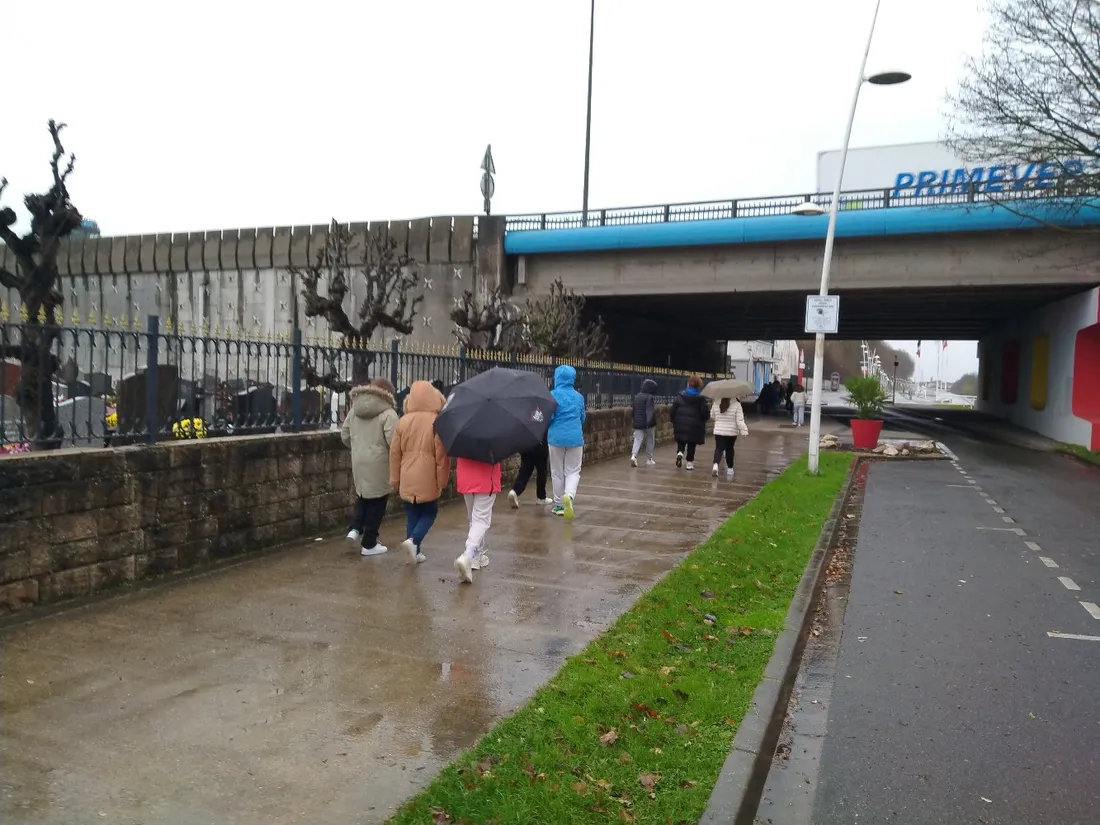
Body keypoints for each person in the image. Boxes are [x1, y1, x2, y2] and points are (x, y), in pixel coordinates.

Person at [389, 380, 450, 565]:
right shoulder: (436, 422)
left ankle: (415, 550)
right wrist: (442, 481)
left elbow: (394, 453)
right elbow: (441, 455)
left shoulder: (402, 421)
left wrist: (395, 478)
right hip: (427, 474)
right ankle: (414, 541)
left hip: (407, 473)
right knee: (430, 512)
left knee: (412, 514)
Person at [341, 377, 399, 556]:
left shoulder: (354, 410)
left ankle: (355, 528)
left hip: (358, 460)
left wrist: (359, 448)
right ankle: (369, 543)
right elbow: (393, 442)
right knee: (378, 501)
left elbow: (344, 435)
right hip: (380, 463)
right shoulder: (388, 413)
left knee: (363, 495)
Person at [454, 457, 502, 583]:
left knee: (473, 520)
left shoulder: (463, 438)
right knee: (481, 521)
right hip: (487, 478)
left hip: (466, 477)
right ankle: (468, 555)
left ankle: (476, 556)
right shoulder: (494, 436)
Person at [547, 364, 586, 519]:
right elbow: (582, 418)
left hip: (555, 437)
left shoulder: (552, 395)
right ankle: (569, 496)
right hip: (575, 438)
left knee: (557, 472)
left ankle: (558, 505)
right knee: (573, 471)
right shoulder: (579, 397)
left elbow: (549, 418)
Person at [671, 374, 710, 470]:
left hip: (680, 423)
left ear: (688, 384)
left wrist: (674, 421)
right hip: (694, 425)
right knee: (691, 444)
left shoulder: (680, 396)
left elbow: (673, 410)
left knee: (681, 440)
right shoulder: (701, 399)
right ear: (698, 385)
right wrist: (704, 419)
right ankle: (689, 462)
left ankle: (680, 452)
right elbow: (705, 413)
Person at [711, 396, 749, 480]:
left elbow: (712, 416)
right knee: (729, 449)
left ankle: (715, 465)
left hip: (719, 431)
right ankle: (730, 469)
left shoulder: (716, 402)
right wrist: (744, 431)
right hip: (731, 432)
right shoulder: (737, 404)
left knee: (718, 448)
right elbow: (739, 420)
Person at [509, 432, 550, 507]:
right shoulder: (542, 420)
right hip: (540, 444)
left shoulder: (525, 420)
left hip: (526, 445)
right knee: (542, 471)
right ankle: (541, 498)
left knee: (525, 472)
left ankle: (515, 491)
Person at [630, 378, 658, 468]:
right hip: (648, 423)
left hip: (638, 422)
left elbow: (633, 410)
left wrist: (634, 420)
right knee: (650, 440)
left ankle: (634, 456)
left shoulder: (637, 396)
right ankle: (649, 459)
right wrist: (649, 422)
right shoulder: (650, 397)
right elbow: (649, 411)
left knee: (637, 439)